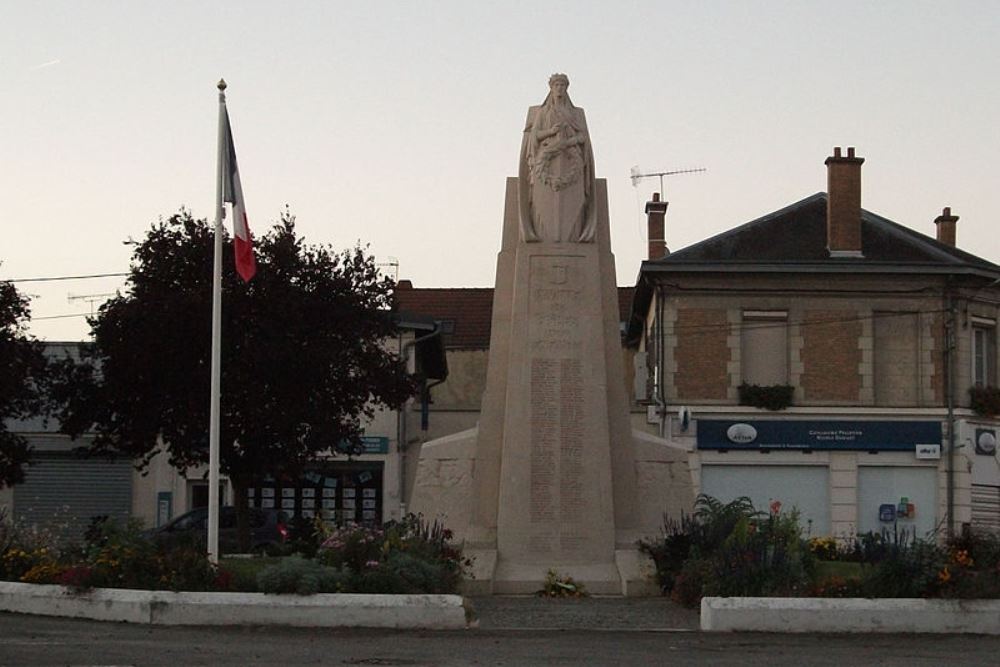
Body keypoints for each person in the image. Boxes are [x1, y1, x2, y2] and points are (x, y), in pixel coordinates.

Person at [518, 73, 596, 243]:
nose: (559, 88)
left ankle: (574, 237)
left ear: (566, 88)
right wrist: (551, 132)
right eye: (556, 85)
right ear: (551, 88)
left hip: (572, 164)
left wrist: (571, 141)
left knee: (573, 210)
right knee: (543, 209)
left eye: (562, 85)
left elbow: (584, 138)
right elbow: (535, 135)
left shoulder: (576, 113)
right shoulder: (543, 112)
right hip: (545, 164)